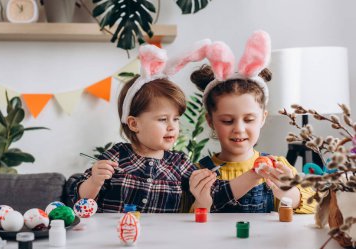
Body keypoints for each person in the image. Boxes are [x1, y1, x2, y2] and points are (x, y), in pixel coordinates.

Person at [70, 43, 236, 213]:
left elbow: (219, 195)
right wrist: (94, 181)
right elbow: (77, 200)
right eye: (163, 119)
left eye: (176, 119)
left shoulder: (179, 163)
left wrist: (205, 189)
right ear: (134, 124)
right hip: (114, 237)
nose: (172, 126)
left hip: (160, 238)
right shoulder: (117, 156)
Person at [188, 31, 315, 213]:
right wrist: (202, 203)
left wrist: (290, 194)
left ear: (262, 118)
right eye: (227, 121)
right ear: (210, 121)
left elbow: (315, 207)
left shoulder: (278, 166)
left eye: (249, 119)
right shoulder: (200, 172)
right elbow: (184, 224)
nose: (239, 129)